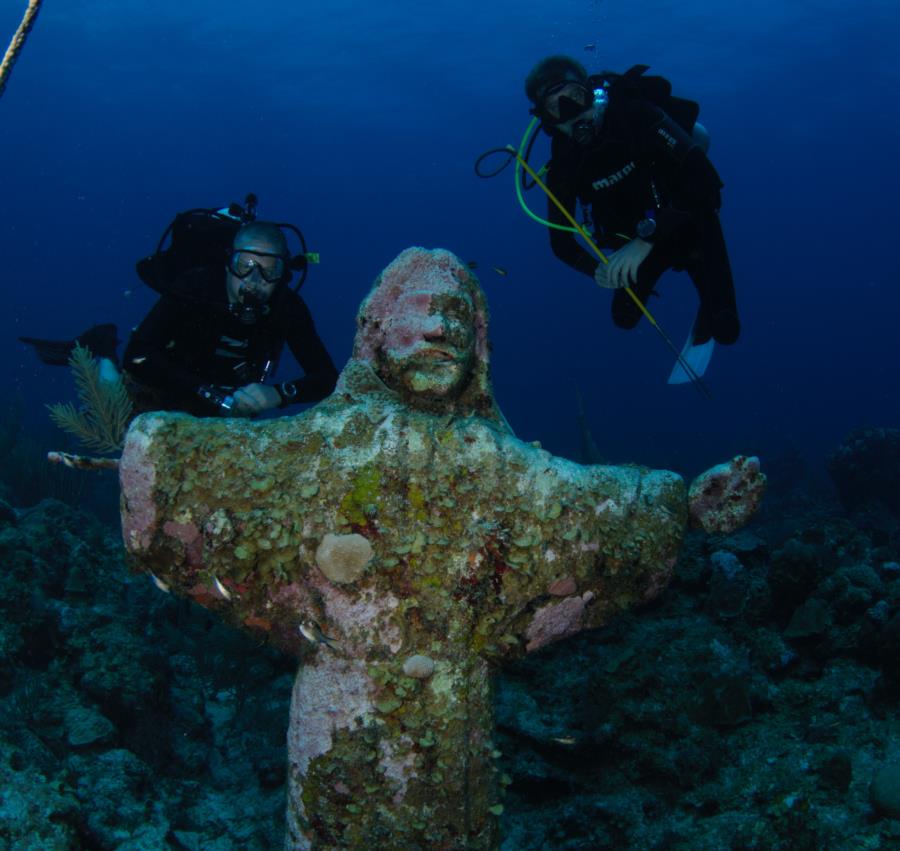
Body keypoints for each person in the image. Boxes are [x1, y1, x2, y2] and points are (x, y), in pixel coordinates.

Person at [21, 215, 338, 417]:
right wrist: (206, 392)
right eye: (246, 266)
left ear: (283, 274)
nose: (255, 282)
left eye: (270, 271)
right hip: (166, 383)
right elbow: (138, 356)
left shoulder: (288, 307)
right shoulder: (195, 286)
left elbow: (326, 378)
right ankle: (103, 346)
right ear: (229, 262)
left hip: (224, 408)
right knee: (114, 407)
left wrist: (278, 394)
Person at [524, 55, 740, 346]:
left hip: (691, 222)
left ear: (590, 92)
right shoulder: (565, 164)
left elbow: (705, 181)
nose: (572, 111)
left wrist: (645, 241)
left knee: (726, 330)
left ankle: (710, 303)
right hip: (638, 246)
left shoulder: (634, 115)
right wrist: (597, 270)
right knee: (623, 318)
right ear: (548, 121)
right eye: (556, 107)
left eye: (575, 96)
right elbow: (561, 244)